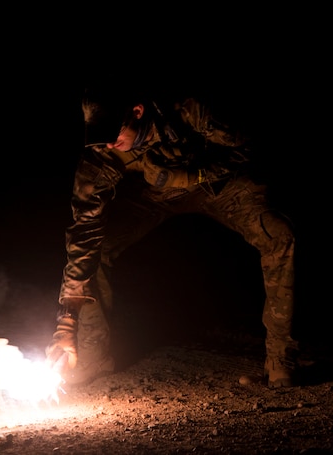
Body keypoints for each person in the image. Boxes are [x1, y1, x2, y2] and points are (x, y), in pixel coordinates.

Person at [45, 88, 299, 388]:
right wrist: (67, 319)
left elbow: (248, 147)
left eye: (115, 132)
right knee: (97, 248)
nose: (110, 142)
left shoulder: (190, 111)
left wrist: (198, 175)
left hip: (215, 186)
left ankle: (280, 361)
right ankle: (92, 356)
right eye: (102, 136)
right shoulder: (101, 151)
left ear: (137, 112)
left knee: (279, 235)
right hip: (155, 196)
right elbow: (84, 229)